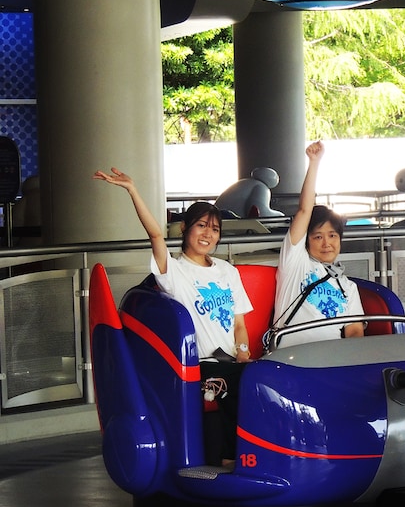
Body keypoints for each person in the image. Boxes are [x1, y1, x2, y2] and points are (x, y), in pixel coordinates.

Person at [93, 167, 253, 467]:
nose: (208, 234)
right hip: (198, 365)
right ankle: (230, 459)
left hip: (231, 362)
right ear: (184, 229)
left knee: (260, 379)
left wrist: (243, 353)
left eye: (214, 229)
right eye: (201, 226)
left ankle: (253, 456)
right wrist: (133, 190)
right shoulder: (174, 272)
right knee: (233, 385)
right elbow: (155, 233)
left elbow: (240, 324)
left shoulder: (227, 271)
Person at [272, 141, 365, 347]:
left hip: (330, 357)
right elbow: (304, 210)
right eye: (318, 237)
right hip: (291, 356)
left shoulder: (347, 286)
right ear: (306, 241)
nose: (327, 243)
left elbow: (354, 330)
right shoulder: (295, 262)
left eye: (332, 236)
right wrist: (314, 162)